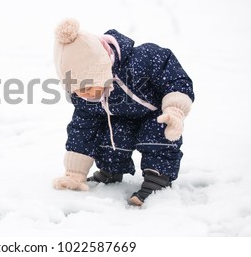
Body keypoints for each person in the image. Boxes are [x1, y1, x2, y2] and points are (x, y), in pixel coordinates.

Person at [52, 18, 194, 206]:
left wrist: (175, 109)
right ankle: (110, 171)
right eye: (76, 89)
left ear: (101, 69)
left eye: (87, 86)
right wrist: (74, 173)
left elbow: (175, 79)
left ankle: (157, 179)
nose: (84, 94)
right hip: (123, 117)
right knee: (108, 129)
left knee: (159, 129)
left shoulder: (141, 60)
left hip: (155, 113)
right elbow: (83, 130)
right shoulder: (84, 98)